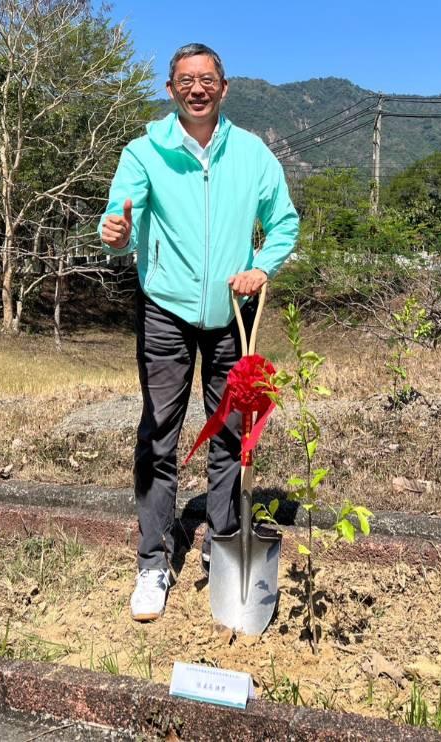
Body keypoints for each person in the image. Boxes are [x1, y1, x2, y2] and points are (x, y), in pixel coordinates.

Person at [98, 43, 299, 622]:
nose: (196, 88)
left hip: (233, 313)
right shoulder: (145, 151)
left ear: (224, 87)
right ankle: (153, 560)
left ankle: (222, 545)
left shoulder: (254, 154)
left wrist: (265, 265)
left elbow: (283, 221)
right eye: (185, 80)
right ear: (170, 89)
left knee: (232, 435)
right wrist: (116, 233)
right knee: (159, 432)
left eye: (206, 79)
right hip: (165, 310)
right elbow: (120, 218)